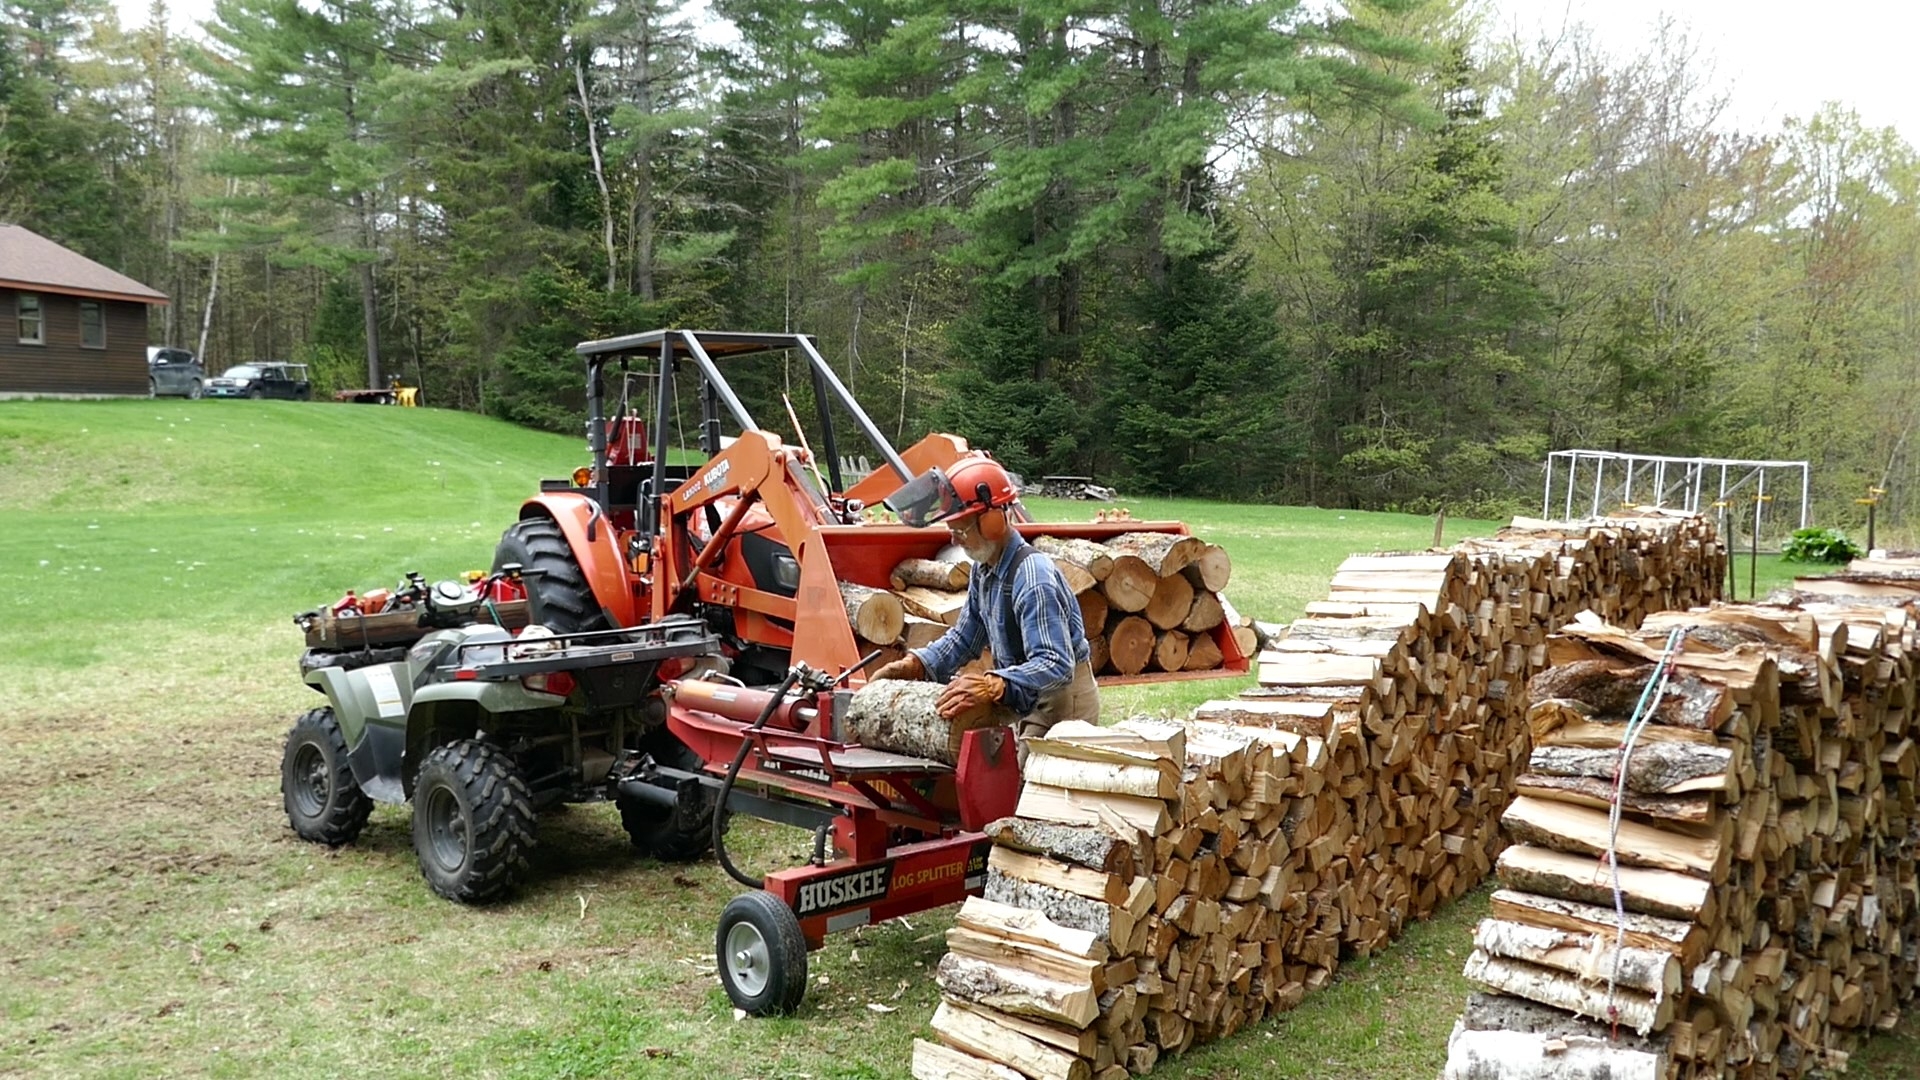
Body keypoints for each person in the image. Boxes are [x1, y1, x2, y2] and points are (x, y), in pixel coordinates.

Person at [872, 456, 1099, 761]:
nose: (954, 539)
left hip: (1060, 701)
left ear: (993, 521)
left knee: (1029, 785)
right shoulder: (985, 569)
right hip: (1024, 695)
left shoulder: (1034, 579)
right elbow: (965, 637)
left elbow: (1055, 664)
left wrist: (992, 685)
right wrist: (917, 664)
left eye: (961, 530)